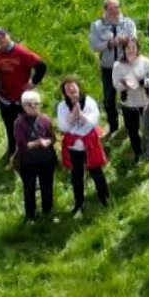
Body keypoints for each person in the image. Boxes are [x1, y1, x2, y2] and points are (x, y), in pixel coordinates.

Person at [0, 27, 45, 163]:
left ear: (8, 36)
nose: (1, 41)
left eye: (3, 37)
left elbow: (41, 66)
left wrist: (33, 82)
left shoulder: (21, 52)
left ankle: (31, 153)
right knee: (9, 125)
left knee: (29, 126)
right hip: (6, 99)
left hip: (23, 99)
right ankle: (12, 148)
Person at [54, 76, 112, 215]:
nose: (71, 90)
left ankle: (105, 198)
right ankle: (79, 203)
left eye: (73, 86)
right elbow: (63, 126)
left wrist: (81, 115)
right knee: (76, 175)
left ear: (78, 87)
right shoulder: (62, 106)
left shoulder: (90, 101)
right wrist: (72, 115)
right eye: (67, 89)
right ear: (65, 92)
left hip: (89, 144)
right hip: (74, 147)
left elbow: (93, 122)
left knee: (97, 172)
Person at [88, 0, 137, 139]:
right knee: (109, 100)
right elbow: (95, 46)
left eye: (117, 8)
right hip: (108, 68)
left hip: (126, 66)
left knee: (128, 97)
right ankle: (113, 125)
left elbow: (134, 40)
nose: (115, 12)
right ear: (105, 10)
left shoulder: (128, 23)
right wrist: (110, 43)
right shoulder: (97, 25)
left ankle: (130, 126)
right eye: (111, 10)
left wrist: (125, 40)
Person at [110, 37, 149, 159]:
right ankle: (138, 152)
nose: (131, 50)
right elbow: (116, 84)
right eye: (128, 48)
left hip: (146, 101)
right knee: (132, 130)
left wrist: (143, 82)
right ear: (123, 49)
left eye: (134, 47)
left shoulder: (146, 62)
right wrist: (125, 84)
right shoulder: (118, 65)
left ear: (137, 48)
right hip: (129, 103)